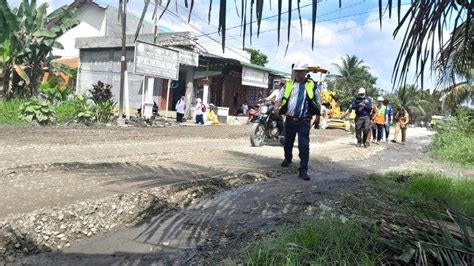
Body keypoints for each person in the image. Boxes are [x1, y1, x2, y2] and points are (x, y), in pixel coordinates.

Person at [275, 62, 321, 181]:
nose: (298, 73)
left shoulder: (312, 85)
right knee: (287, 142)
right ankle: (288, 158)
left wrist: (318, 117)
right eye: (296, 71)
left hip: (304, 121)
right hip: (290, 119)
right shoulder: (288, 85)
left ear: (306, 73)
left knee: (304, 146)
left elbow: (318, 101)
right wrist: (276, 107)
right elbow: (279, 98)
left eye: (301, 71)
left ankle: (303, 169)